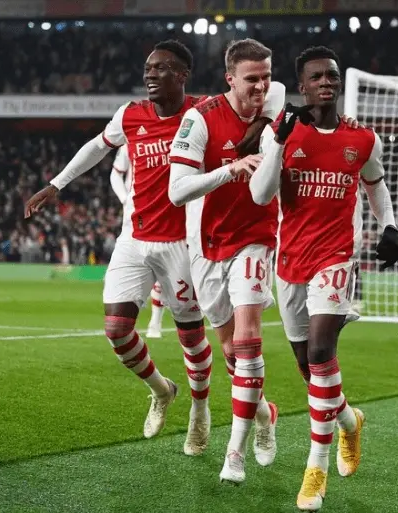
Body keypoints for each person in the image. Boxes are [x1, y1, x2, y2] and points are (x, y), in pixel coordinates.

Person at [25, 40, 282, 457]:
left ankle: (200, 412)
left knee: (193, 337)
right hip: (135, 236)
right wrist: (56, 184)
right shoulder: (130, 115)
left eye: (161, 68)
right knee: (116, 329)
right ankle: (162, 390)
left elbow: (276, 88)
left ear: (182, 76)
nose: (149, 74)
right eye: (148, 67)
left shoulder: (201, 112)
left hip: (184, 242)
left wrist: (262, 119)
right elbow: (96, 147)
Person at [248, 46, 398, 511]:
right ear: (303, 86)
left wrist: (389, 225)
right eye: (316, 77)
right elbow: (259, 196)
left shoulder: (363, 138)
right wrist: (276, 141)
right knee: (306, 368)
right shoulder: (284, 135)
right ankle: (350, 421)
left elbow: (375, 184)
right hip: (289, 259)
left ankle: (315, 468)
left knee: (320, 352)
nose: (326, 82)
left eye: (331, 75)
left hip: (336, 257)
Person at [168, 38, 287, 484]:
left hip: (255, 238)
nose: (261, 86)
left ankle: (233, 454)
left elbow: (282, 101)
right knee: (231, 353)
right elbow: (177, 191)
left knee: (248, 336)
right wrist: (231, 169)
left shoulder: (272, 102)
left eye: (266, 76)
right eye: (251, 78)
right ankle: (264, 415)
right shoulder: (199, 119)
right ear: (229, 78)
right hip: (205, 243)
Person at [110, 144, 166, 339]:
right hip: (133, 218)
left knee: (162, 267)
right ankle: (147, 319)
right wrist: (125, 199)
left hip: (164, 212)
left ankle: (155, 322)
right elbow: (115, 174)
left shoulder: (169, 141)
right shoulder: (130, 145)